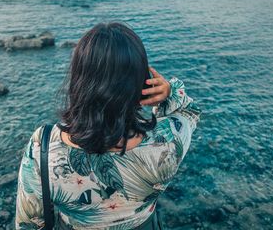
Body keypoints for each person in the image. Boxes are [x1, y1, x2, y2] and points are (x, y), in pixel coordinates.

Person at [15, 22, 201, 229]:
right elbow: (188, 113)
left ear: (79, 80)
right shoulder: (166, 144)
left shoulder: (44, 144)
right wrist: (169, 93)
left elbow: (29, 222)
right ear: (142, 82)